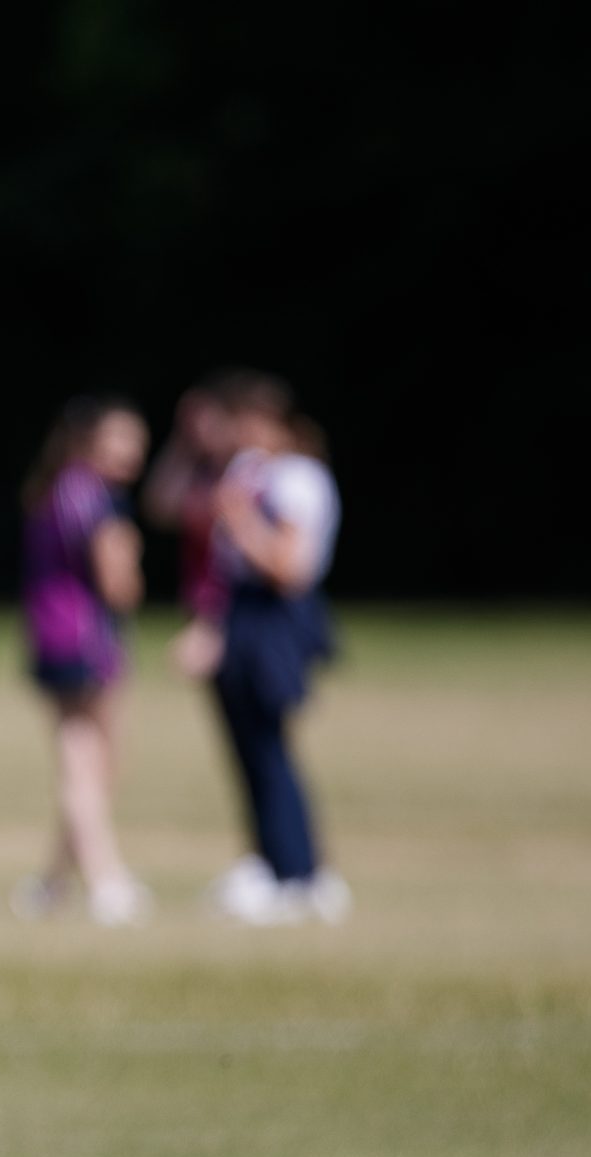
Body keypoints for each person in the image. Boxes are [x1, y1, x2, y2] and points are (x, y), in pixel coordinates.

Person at [166, 379, 350, 925]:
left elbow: (290, 568)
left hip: (273, 616)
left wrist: (240, 520)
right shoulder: (250, 471)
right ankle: (272, 864)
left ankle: (300, 874)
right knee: (245, 746)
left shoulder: (298, 478)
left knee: (269, 746)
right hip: (241, 613)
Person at [13, 395, 152, 926]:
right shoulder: (93, 497)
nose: (132, 450)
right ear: (88, 441)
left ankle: (52, 884)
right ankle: (105, 881)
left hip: (52, 635)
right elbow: (118, 584)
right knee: (86, 765)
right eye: (120, 438)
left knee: (95, 765)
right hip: (84, 639)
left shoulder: (54, 489)